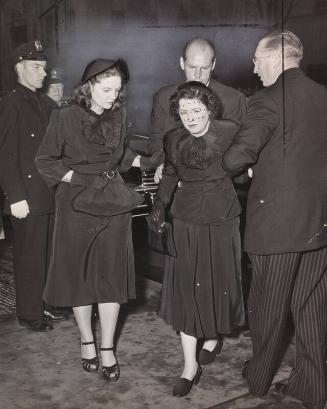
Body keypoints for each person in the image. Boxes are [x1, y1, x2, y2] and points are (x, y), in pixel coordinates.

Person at [223, 31, 327, 409]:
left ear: (274, 58)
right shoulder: (323, 96)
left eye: (256, 60)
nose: (254, 68)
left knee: (267, 304)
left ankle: (259, 377)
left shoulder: (267, 100)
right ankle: (313, 387)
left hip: (277, 227)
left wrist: (242, 167)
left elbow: (236, 159)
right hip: (318, 225)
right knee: (312, 307)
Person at [36, 58, 142, 381]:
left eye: (117, 91)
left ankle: (107, 347)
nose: (113, 96)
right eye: (107, 89)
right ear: (89, 86)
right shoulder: (64, 116)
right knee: (79, 275)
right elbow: (46, 161)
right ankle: (87, 341)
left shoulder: (118, 115)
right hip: (75, 203)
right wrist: (81, 180)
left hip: (113, 200)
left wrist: (146, 160)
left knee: (111, 274)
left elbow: (121, 155)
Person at [150, 81, 245, 397]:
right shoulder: (173, 138)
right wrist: (160, 207)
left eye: (196, 110)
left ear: (210, 109)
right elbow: (170, 177)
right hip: (186, 219)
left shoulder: (230, 131)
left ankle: (214, 335)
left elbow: (250, 163)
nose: (190, 117)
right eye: (184, 111)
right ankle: (189, 364)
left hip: (221, 218)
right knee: (187, 288)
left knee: (217, 282)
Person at [0, 40, 66, 332]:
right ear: (19, 68)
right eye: (36, 67)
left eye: (44, 67)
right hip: (26, 196)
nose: (43, 73)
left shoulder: (43, 102)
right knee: (29, 255)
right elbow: (6, 152)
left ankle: (46, 305)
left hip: (47, 194)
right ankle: (29, 312)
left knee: (48, 253)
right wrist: (15, 196)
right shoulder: (12, 102)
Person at [148, 37, 247, 183]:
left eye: (204, 68)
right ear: (182, 63)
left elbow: (238, 149)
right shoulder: (163, 97)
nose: (198, 75)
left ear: (213, 65)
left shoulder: (233, 99)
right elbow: (156, 140)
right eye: (192, 67)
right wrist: (164, 164)